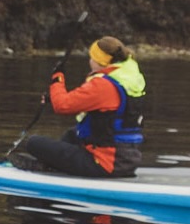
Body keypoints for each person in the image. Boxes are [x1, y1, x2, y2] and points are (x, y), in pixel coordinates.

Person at [16, 36, 147, 179]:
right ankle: (51, 165)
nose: (89, 61)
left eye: (91, 58)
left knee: (33, 143)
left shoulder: (102, 86)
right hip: (127, 162)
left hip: (103, 165)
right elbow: (101, 104)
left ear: (100, 62)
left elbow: (62, 106)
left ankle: (47, 169)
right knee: (73, 134)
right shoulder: (129, 80)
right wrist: (52, 97)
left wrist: (57, 80)